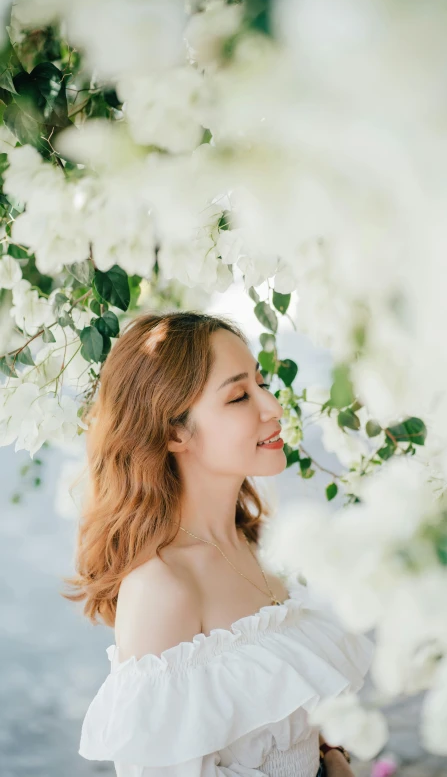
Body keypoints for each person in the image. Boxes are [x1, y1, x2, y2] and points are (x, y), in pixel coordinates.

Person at [64, 311, 374, 777]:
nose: (272, 406)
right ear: (174, 432)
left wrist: (333, 756)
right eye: (239, 396)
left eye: (262, 382)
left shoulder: (264, 543)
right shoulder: (163, 588)